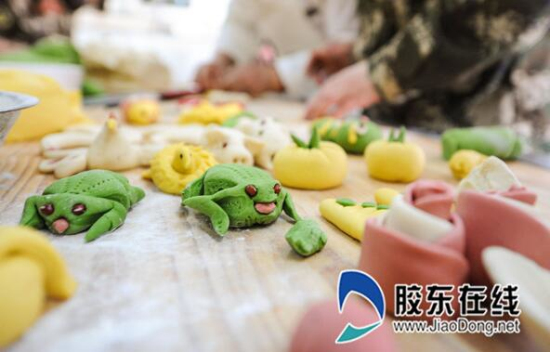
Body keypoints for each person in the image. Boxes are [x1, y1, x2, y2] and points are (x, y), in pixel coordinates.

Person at [305, 0, 550, 131]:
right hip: (392, 128)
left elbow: (515, 8)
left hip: (489, 134)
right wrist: (360, 53)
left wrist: (384, 72)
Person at [195, 0, 358, 100]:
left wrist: (276, 76)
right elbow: (239, 23)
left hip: (334, 96)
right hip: (279, 100)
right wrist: (221, 61)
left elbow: (347, 48)